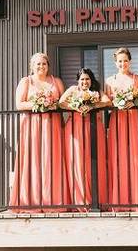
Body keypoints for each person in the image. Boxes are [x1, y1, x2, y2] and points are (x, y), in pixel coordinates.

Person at [9, 52, 70, 211]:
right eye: (38, 64)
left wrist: (52, 105)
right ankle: (32, 200)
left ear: (48, 66)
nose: (41, 67)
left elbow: (63, 103)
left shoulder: (56, 81)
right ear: (32, 66)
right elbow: (19, 105)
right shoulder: (26, 81)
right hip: (32, 127)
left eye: (44, 64)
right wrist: (39, 104)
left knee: (53, 159)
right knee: (33, 160)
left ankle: (55, 200)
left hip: (53, 127)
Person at [105, 47, 138, 210]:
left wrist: (134, 102)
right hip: (117, 120)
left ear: (130, 61)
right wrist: (115, 104)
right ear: (115, 62)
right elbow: (107, 102)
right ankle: (120, 199)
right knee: (118, 157)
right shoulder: (110, 81)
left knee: (135, 157)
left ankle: (137, 198)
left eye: (125, 60)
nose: (123, 63)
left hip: (133, 119)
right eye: (120, 61)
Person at [60, 68, 110, 209]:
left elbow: (107, 101)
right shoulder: (72, 90)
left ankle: (97, 200)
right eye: (82, 79)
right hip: (75, 128)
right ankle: (79, 200)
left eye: (87, 79)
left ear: (91, 80)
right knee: (77, 161)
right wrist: (75, 107)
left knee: (94, 160)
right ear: (78, 80)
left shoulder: (96, 91)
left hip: (94, 128)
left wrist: (93, 105)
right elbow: (61, 102)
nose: (85, 82)